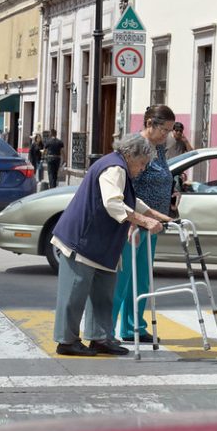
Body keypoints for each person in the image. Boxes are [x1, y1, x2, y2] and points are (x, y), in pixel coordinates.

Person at [51, 132, 166, 357]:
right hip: (82, 239)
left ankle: (100, 337)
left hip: (101, 243)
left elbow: (129, 199)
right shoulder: (115, 167)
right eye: (142, 163)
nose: (142, 168)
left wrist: (153, 213)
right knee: (74, 293)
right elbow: (113, 203)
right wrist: (144, 221)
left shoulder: (120, 167)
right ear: (132, 155)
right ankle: (66, 341)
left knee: (104, 292)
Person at [111, 105, 176, 343]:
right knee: (123, 278)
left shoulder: (159, 149)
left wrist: (173, 189)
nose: (167, 135)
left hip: (153, 223)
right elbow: (127, 186)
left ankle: (133, 327)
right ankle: (106, 331)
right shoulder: (136, 148)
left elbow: (160, 177)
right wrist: (132, 222)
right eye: (164, 129)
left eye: (170, 130)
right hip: (133, 223)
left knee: (142, 279)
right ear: (149, 123)